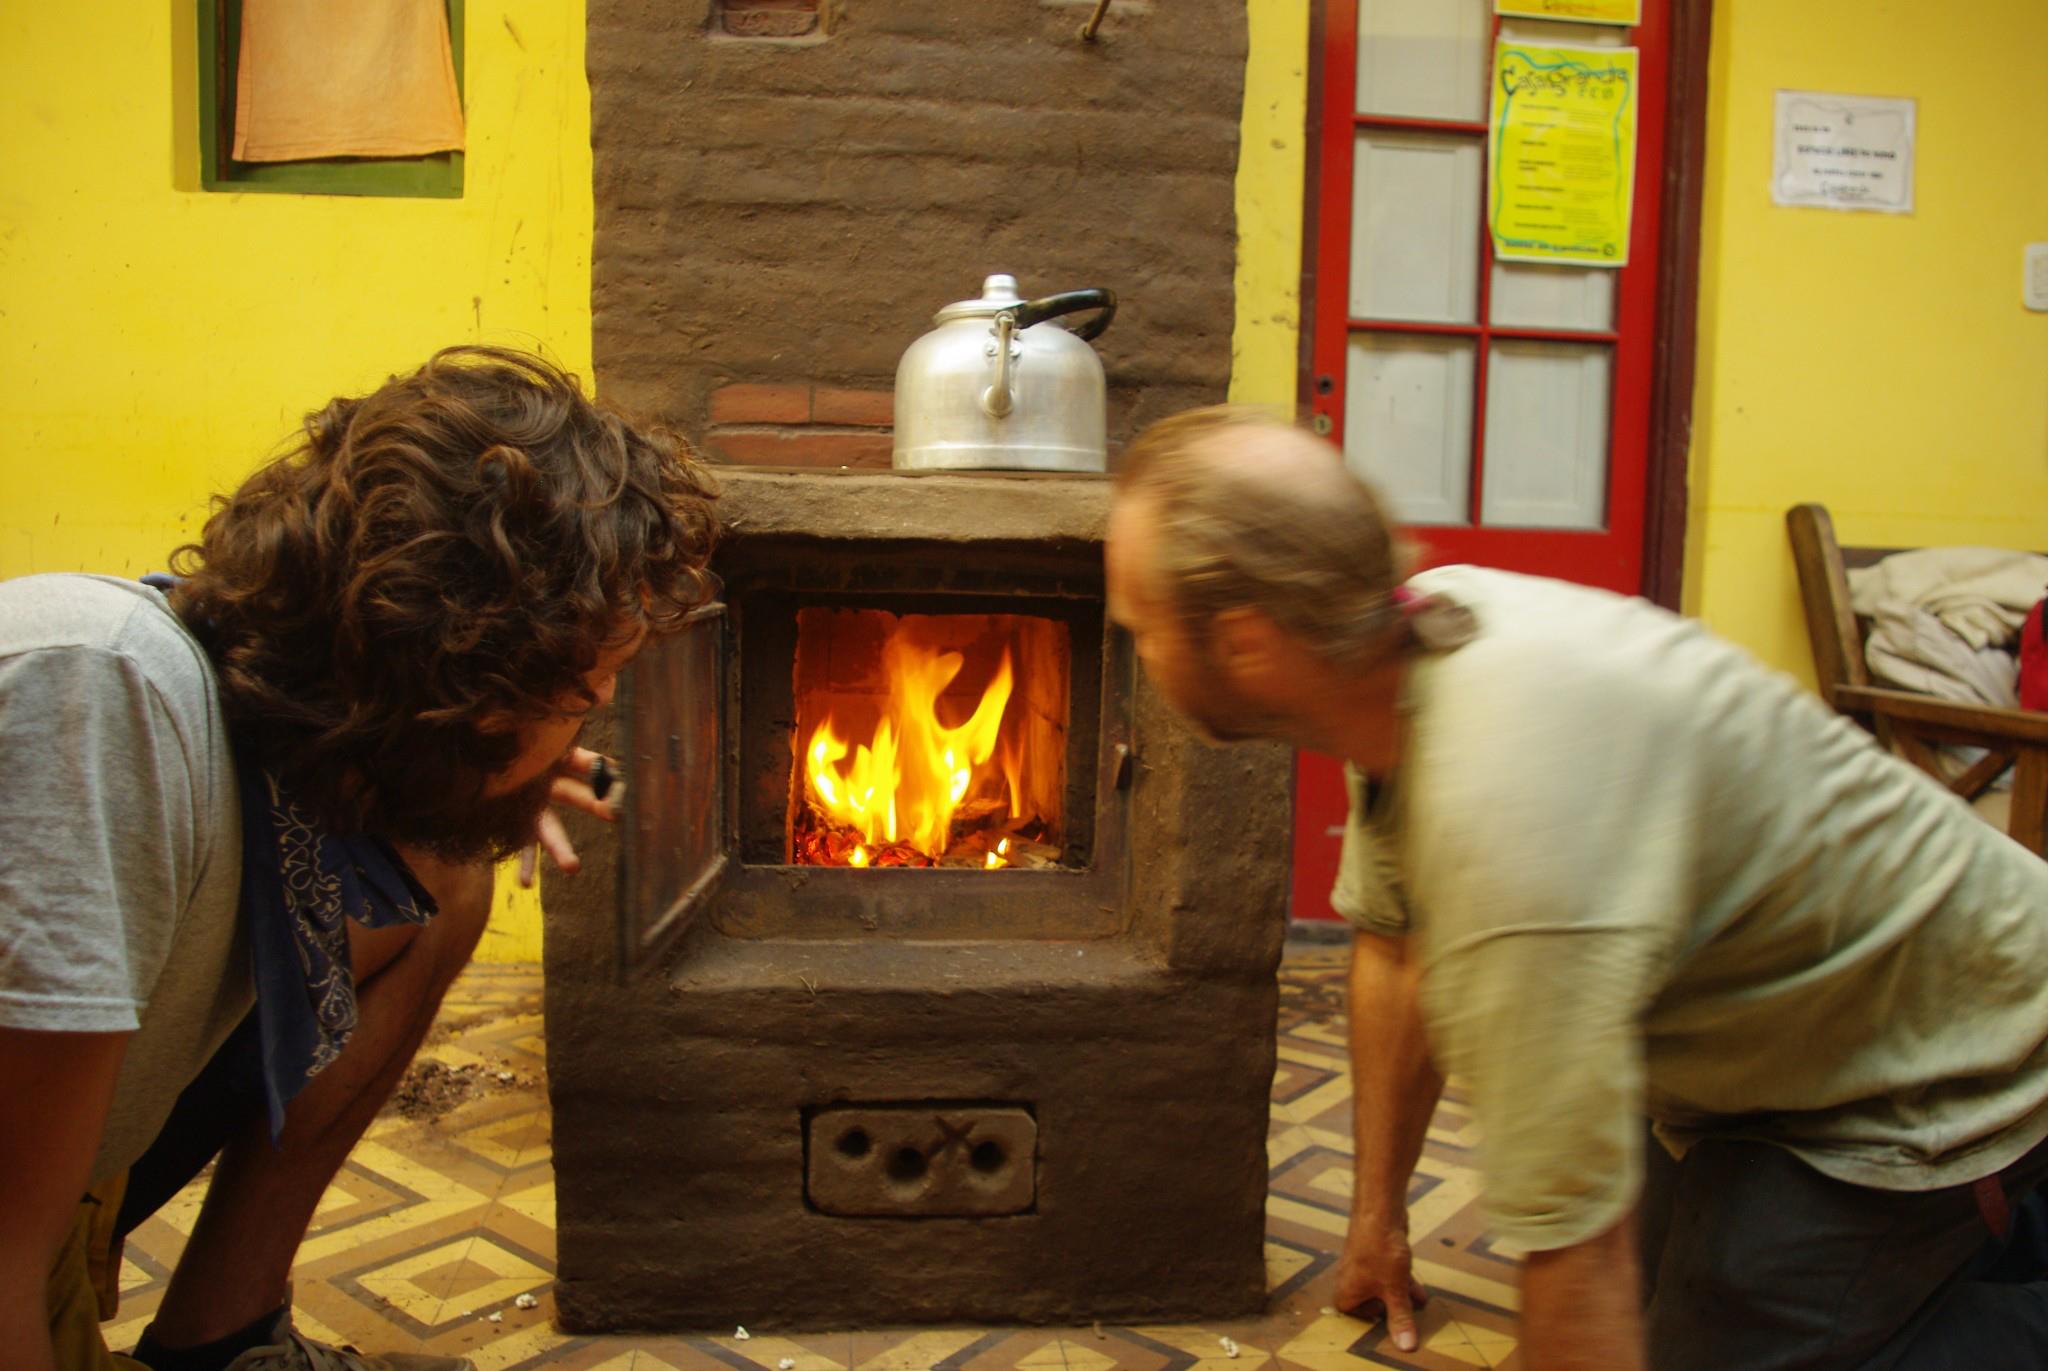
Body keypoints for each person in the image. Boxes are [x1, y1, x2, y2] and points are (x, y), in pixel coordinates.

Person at [1104, 406, 2048, 1371]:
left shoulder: (1507, 825)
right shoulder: (1408, 644)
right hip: (1766, 1043)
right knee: (1678, 1287)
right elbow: (1398, 945)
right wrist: (1378, 1221)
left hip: (1954, 1049)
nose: (1138, 649)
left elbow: (1574, 1264)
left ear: (1248, 643)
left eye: (1143, 626)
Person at [0, 347, 720, 1371]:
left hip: (69, 1189)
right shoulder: (96, 695)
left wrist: (487, 786)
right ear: (476, 696)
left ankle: (224, 1341)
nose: (596, 717)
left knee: (442, 879)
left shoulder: (259, 722)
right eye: (588, 690)